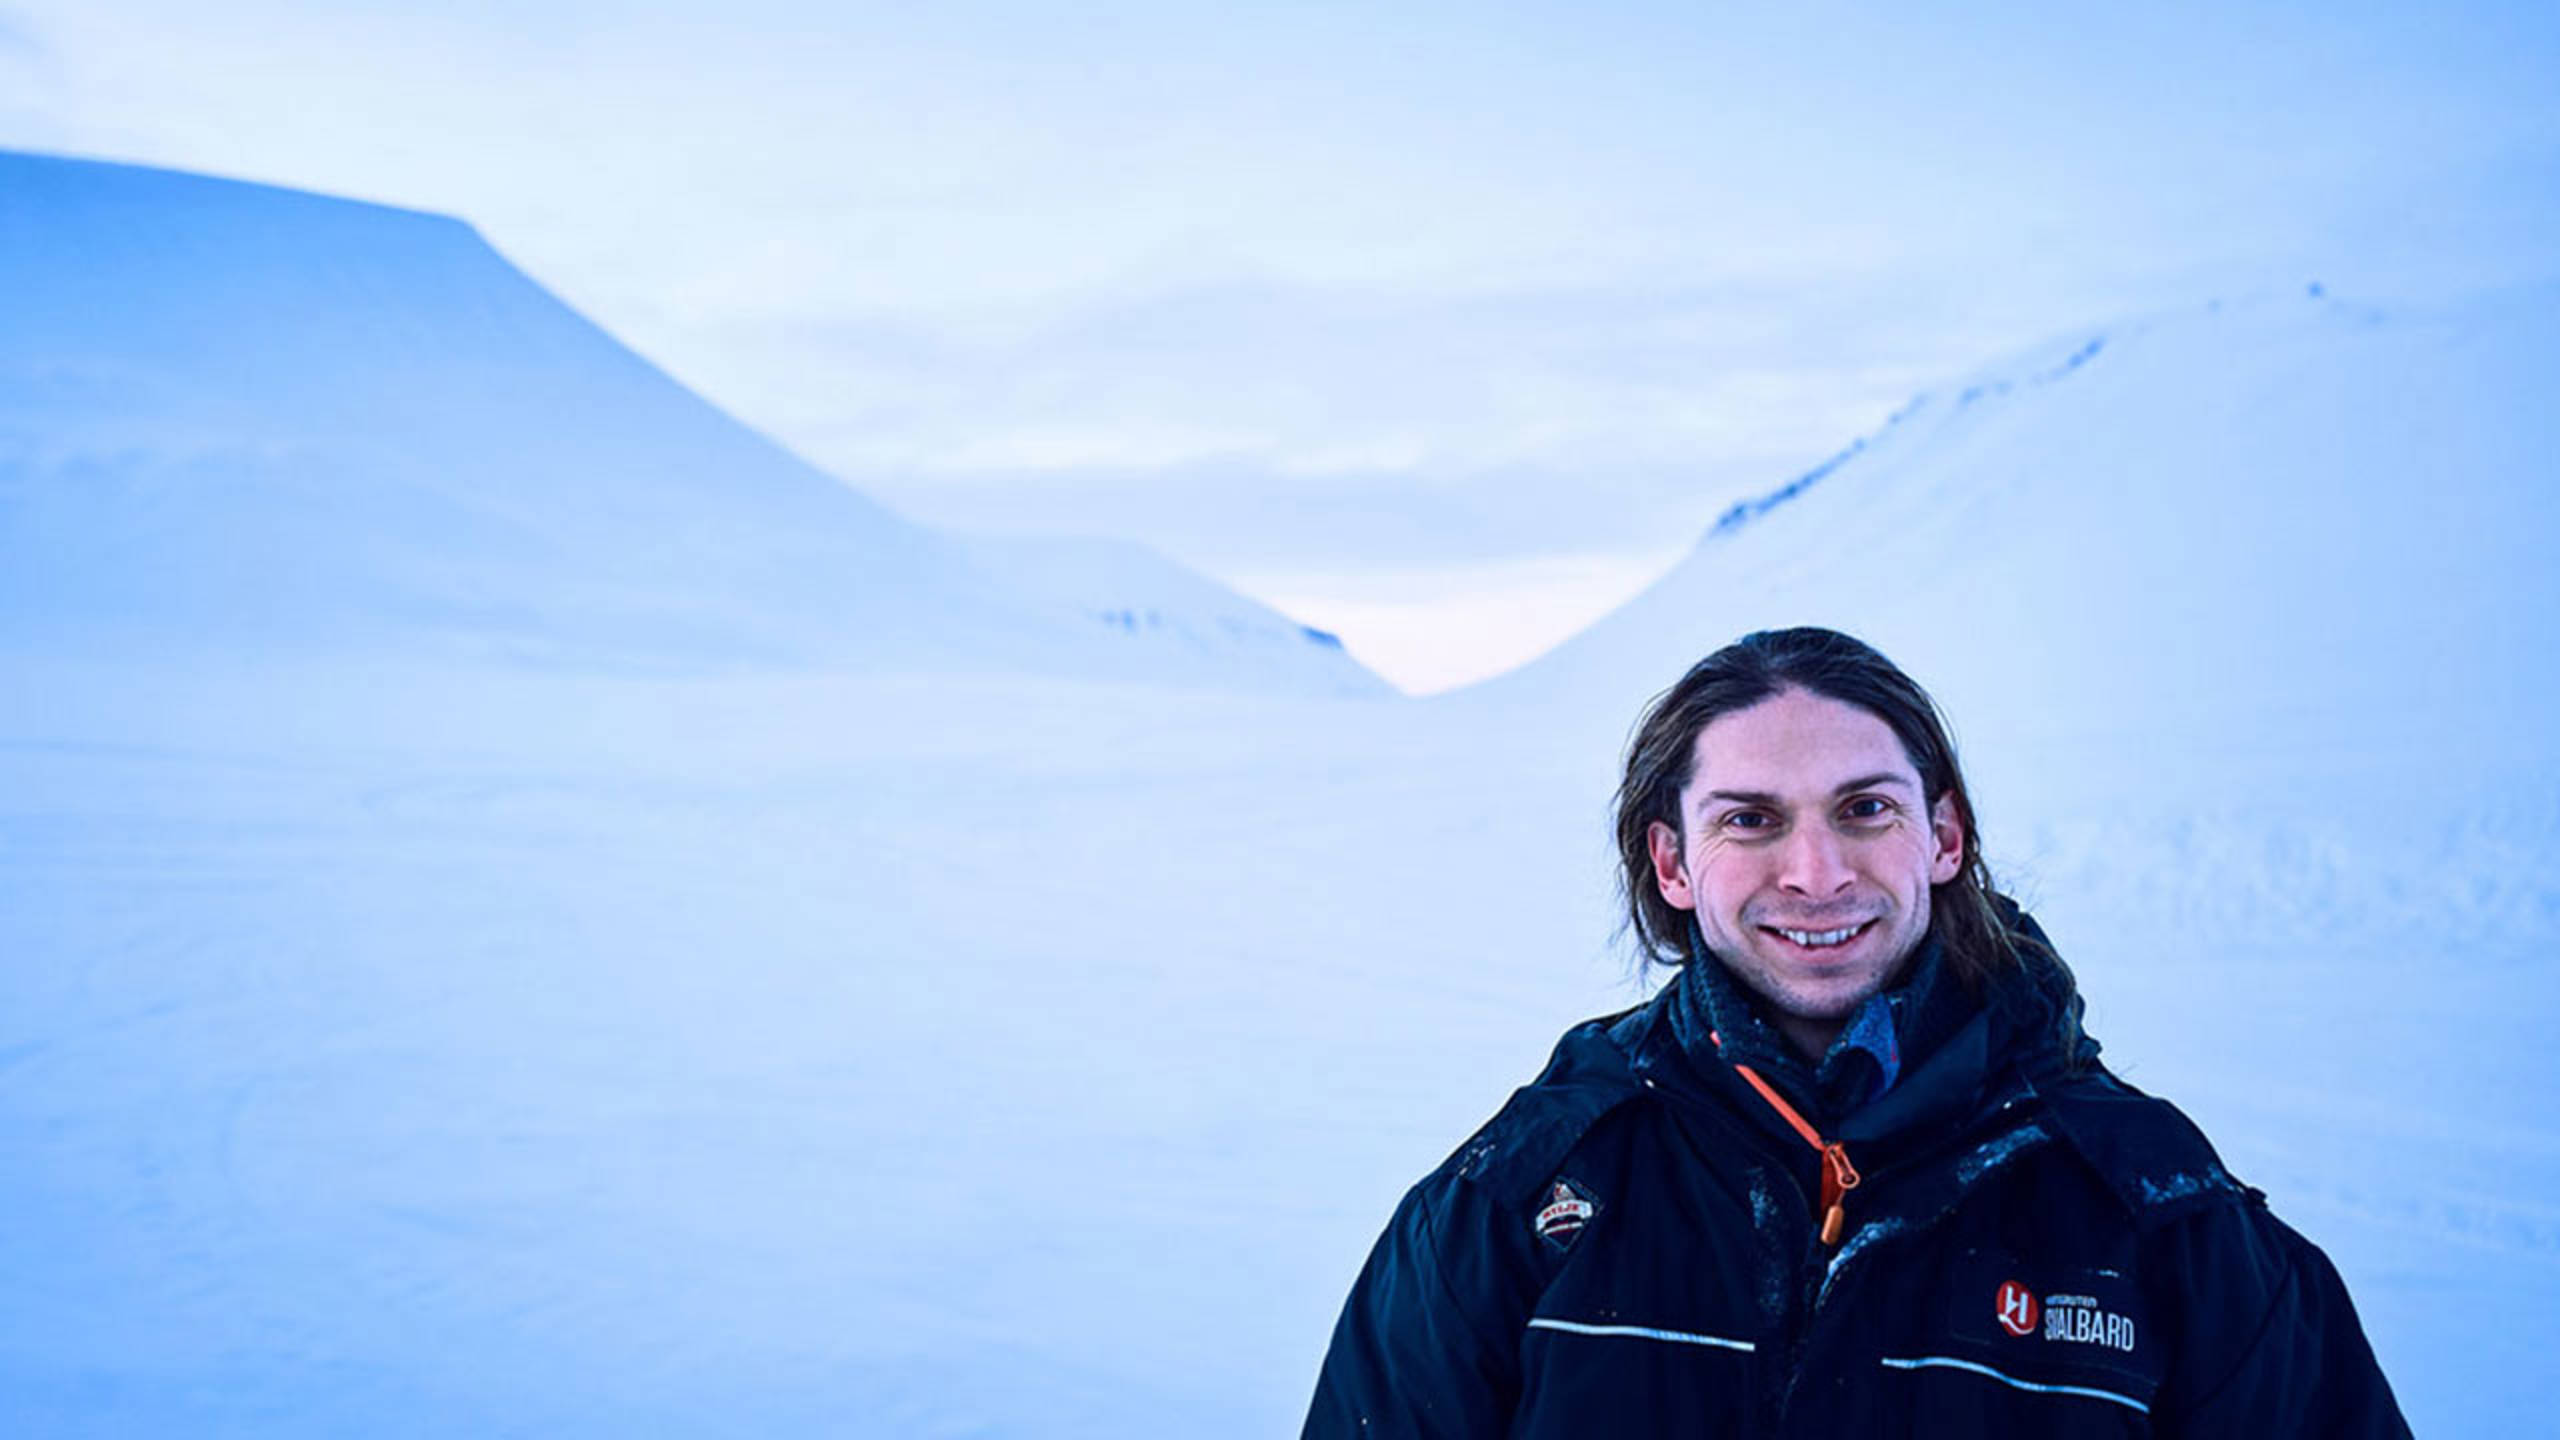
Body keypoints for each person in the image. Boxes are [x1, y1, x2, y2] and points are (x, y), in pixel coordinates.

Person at [1302, 627, 2409, 1437]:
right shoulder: (1529, 1195)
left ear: (1942, 835)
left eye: (1863, 808)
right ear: (1673, 864)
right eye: (1750, 819)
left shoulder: (2151, 1213)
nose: (1815, 872)